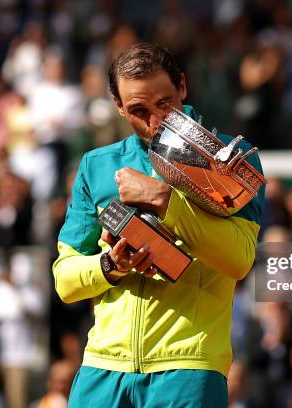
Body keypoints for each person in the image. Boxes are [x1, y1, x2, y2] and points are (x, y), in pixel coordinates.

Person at [52, 43, 265, 407]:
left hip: (188, 369)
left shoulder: (231, 159)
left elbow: (239, 260)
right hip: (101, 369)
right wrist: (110, 266)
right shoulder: (97, 165)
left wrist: (165, 201)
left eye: (164, 103)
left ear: (182, 87)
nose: (154, 121)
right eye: (138, 110)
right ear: (117, 106)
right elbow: (65, 281)